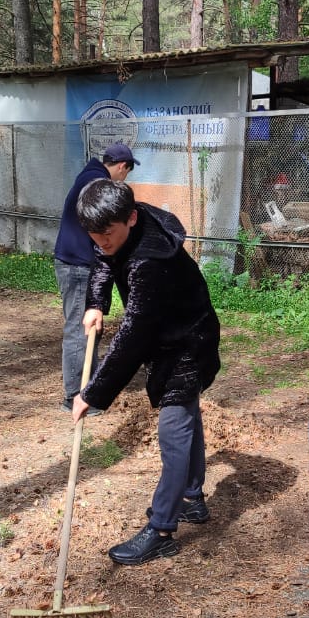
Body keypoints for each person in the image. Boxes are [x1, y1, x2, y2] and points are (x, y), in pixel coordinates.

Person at [72, 178, 221, 566]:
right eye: (94, 235)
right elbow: (103, 257)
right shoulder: (120, 224)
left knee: (174, 430)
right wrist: (97, 302)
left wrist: (93, 393)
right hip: (169, 333)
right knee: (187, 419)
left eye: (107, 234)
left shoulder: (149, 262)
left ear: (131, 219)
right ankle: (191, 498)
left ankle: (162, 530)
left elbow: (133, 336)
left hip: (189, 341)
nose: (101, 242)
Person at [53, 143, 137, 414]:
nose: (124, 179)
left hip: (75, 261)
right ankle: (75, 396)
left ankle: (86, 389)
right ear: (122, 167)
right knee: (82, 330)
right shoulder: (97, 184)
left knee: (88, 328)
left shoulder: (89, 177)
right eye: (127, 173)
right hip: (78, 264)